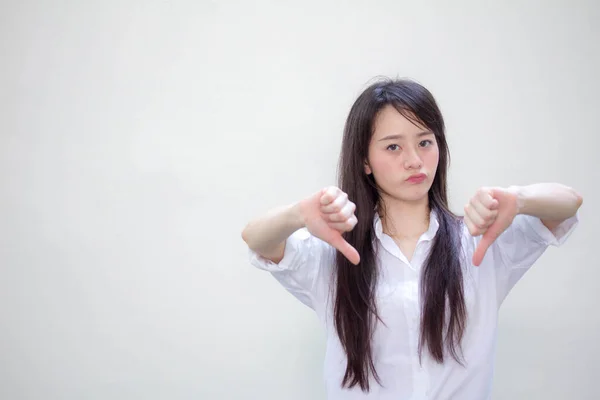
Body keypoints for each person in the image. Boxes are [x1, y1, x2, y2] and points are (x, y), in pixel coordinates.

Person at [241, 78, 582, 399]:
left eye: (424, 142)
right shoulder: (336, 253)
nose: (414, 160)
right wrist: (298, 214)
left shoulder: (477, 242)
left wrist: (518, 198)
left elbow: (568, 203)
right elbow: (257, 239)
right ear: (365, 161)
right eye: (393, 147)